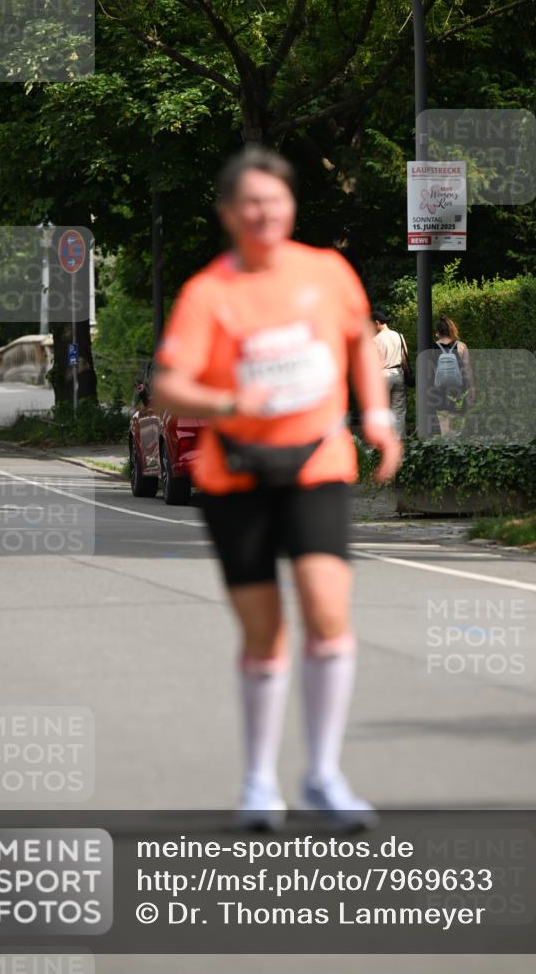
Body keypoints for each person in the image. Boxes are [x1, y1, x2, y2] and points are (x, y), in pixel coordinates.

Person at [153, 146, 402, 830]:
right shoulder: (209, 292)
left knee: (326, 609)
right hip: (234, 473)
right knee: (264, 635)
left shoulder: (326, 272)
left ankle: (322, 775)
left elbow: (357, 341)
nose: (265, 213)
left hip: (317, 461)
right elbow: (168, 384)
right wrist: (231, 399)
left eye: (276, 200)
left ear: (290, 206)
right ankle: (260, 781)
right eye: (250, 204)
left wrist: (376, 415)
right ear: (229, 214)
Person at [432, 315, 474, 437]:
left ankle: (446, 449)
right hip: (457, 389)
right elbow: (467, 369)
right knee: (457, 428)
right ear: (451, 329)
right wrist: (472, 388)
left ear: (438, 332)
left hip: (439, 390)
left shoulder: (432, 347)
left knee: (444, 427)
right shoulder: (461, 346)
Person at [371, 311, 408, 438]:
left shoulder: (375, 340)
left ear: (377, 322)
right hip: (399, 374)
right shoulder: (399, 336)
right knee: (399, 411)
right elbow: (404, 358)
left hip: (383, 376)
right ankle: (400, 442)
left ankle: (383, 442)